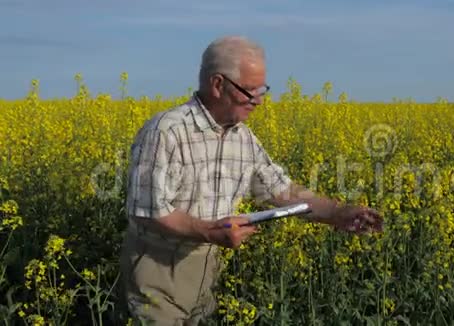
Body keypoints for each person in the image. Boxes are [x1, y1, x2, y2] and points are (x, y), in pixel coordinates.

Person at [119, 35, 383, 325]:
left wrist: (337, 212)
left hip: (209, 273)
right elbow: (146, 210)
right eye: (249, 90)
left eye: (262, 90)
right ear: (218, 85)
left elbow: (283, 191)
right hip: (159, 272)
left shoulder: (242, 137)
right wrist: (208, 231)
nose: (258, 100)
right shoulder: (166, 131)